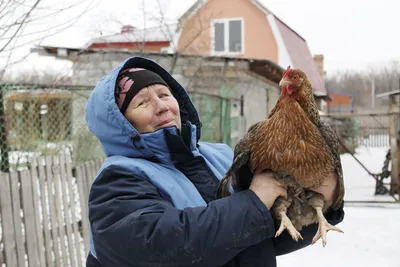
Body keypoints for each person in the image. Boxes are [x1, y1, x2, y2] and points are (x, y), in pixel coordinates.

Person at [85, 56, 344, 267]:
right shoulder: (117, 180)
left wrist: (324, 204)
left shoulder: (219, 155)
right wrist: (253, 202)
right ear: (122, 123)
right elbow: (165, 245)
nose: (162, 106)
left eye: (164, 95)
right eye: (142, 102)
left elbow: (261, 237)